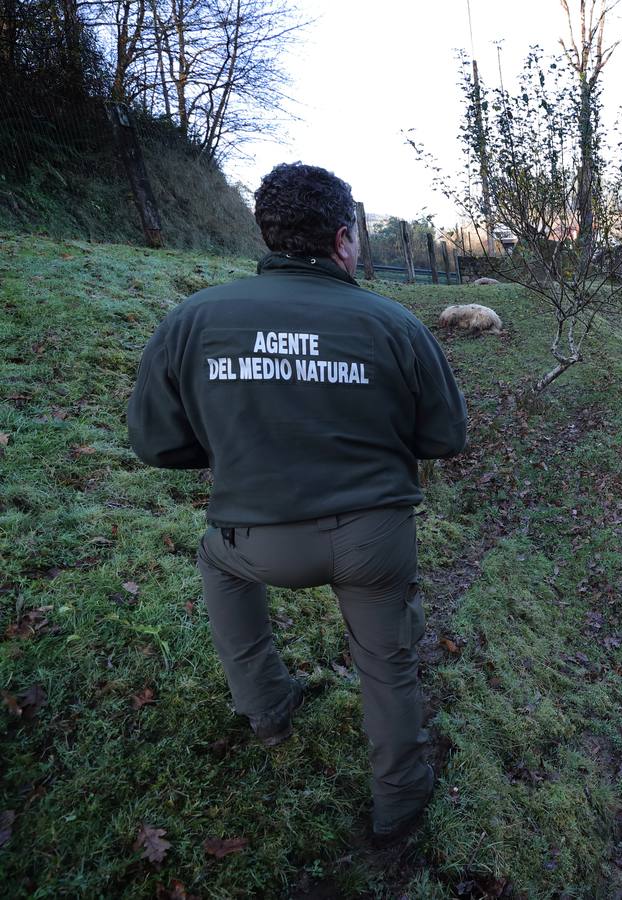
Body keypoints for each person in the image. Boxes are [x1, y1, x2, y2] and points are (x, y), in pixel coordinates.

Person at [126, 162, 467, 845]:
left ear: (267, 232)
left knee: (218, 565)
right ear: (344, 239)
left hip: (254, 537)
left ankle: (267, 711)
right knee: (388, 664)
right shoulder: (394, 323)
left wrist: (236, 455)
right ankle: (399, 804)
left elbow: (156, 444)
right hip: (375, 540)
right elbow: (444, 436)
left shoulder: (193, 319)